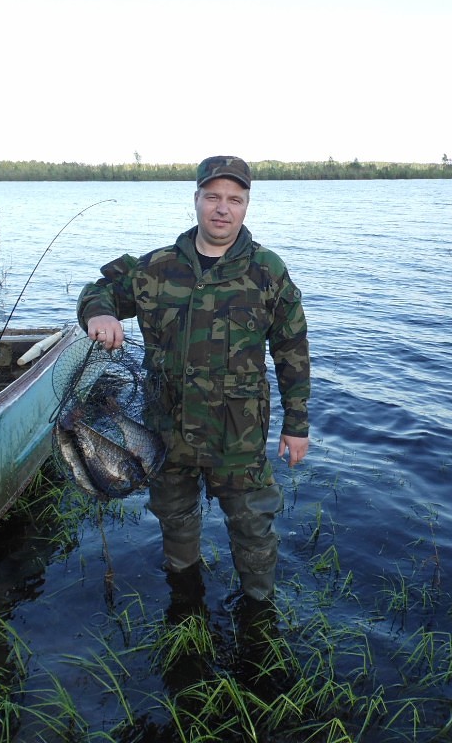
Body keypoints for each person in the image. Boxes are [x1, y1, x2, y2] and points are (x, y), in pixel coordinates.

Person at [77, 155, 310, 603]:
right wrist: (101, 312)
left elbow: (292, 349)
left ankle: (258, 612)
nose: (223, 209)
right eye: (214, 197)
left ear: (246, 206)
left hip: (238, 435)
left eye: (235, 200)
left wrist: (296, 425)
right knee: (174, 517)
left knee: (252, 526)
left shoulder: (267, 270)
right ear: (197, 200)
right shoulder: (155, 268)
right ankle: (185, 598)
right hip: (168, 431)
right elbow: (98, 289)